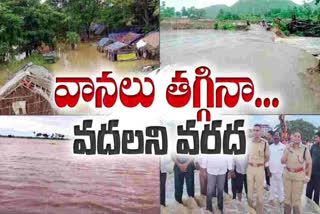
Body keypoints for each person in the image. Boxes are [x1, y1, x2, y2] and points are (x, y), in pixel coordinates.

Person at [281, 131, 312, 214]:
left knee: (296, 199)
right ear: (292, 137)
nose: (297, 138)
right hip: (287, 175)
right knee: (287, 197)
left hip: (298, 176)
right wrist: (287, 150)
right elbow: (282, 161)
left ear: (300, 138)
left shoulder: (304, 148)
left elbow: (309, 163)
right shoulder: (287, 147)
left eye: (298, 136)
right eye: (295, 136)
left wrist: (308, 176)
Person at [247, 124, 270, 214]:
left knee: (260, 192)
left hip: (260, 168)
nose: (255, 132)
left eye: (257, 130)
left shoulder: (265, 143)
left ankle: (259, 211)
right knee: (250, 191)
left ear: (260, 132)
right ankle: (250, 211)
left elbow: (267, 157)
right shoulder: (249, 142)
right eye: (254, 130)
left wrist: (261, 164)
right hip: (250, 168)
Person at [268, 132, 285, 205]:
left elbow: (285, 159)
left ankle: (281, 200)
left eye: (277, 137)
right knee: (272, 185)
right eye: (274, 137)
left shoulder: (283, 147)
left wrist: (284, 169)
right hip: (271, 170)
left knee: (280, 185)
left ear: (280, 138)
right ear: (273, 138)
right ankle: (271, 198)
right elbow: (268, 159)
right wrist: (268, 169)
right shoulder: (270, 147)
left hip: (280, 170)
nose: (276, 138)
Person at [306, 131, 320, 205]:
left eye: (317, 137)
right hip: (311, 173)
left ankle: (315, 210)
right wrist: (307, 170)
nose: (315, 138)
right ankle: (307, 207)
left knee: (317, 194)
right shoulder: (313, 146)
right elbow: (309, 159)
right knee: (308, 192)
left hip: (319, 176)